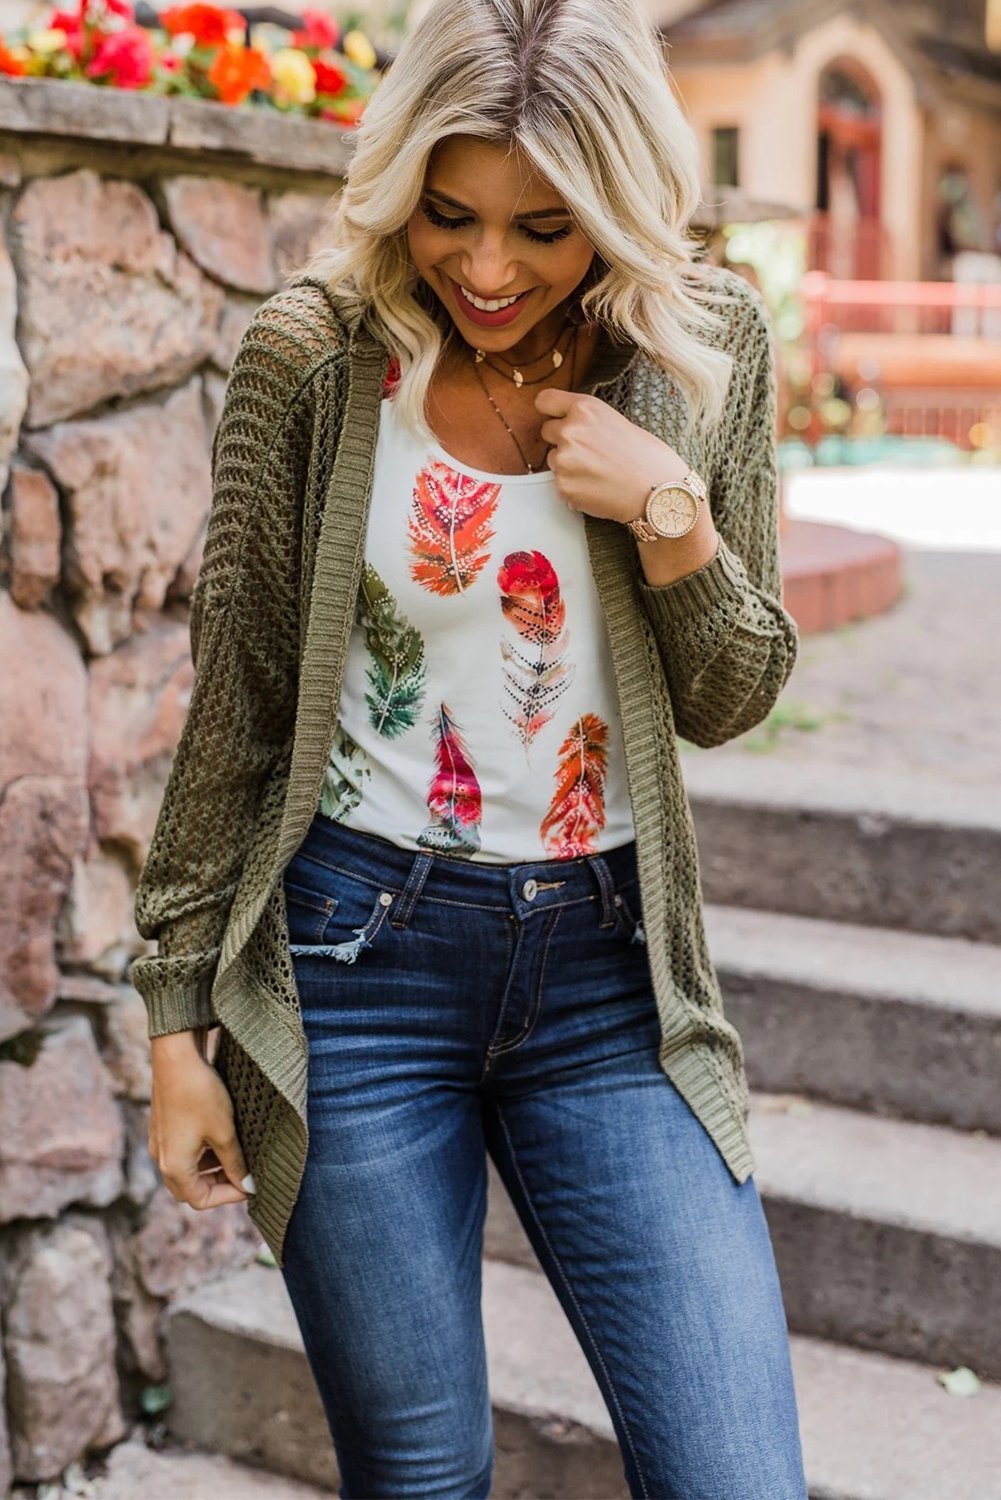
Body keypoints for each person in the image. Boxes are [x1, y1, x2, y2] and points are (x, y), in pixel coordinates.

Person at [131, 0, 808, 1495]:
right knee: (423, 1473)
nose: (486, 268)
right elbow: (235, 707)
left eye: (544, 229)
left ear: (622, 210)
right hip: (355, 968)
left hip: (608, 981)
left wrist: (665, 511)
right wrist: (176, 1024)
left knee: (733, 1474)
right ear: (400, 188)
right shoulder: (313, 361)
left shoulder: (699, 348)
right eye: (450, 216)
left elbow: (731, 691)